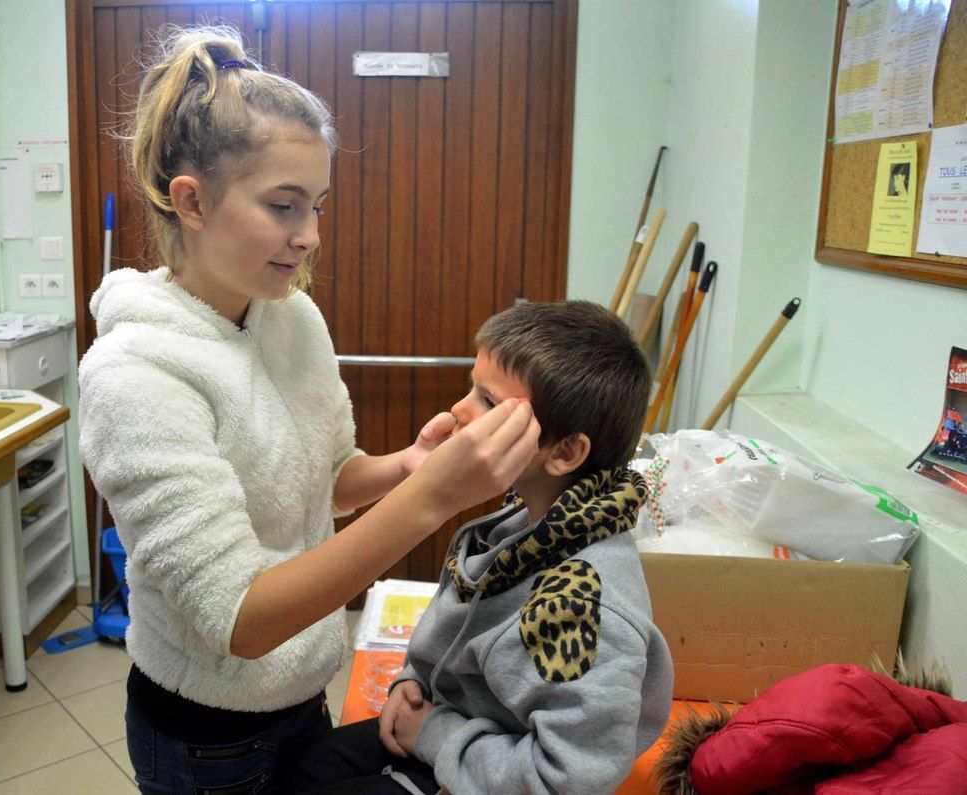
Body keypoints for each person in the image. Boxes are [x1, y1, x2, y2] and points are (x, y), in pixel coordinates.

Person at [76, 25, 541, 794]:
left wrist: (405, 469)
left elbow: (320, 476)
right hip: (207, 734)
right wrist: (434, 498)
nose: (310, 236)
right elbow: (243, 619)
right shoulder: (135, 376)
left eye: (317, 205)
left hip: (299, 695)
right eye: (284, 206)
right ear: (191, 200)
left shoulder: (288, 316)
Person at [284, 301, 675, 795]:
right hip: (453, 731)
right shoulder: (513, 525)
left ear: (565, 452)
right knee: (303, 769)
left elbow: (564, 779)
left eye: (488, 403)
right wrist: (414, 681)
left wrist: (431, 732)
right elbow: (452, 633)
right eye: (472, 388)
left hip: (490, 770)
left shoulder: (584, 607)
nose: (459, 412)